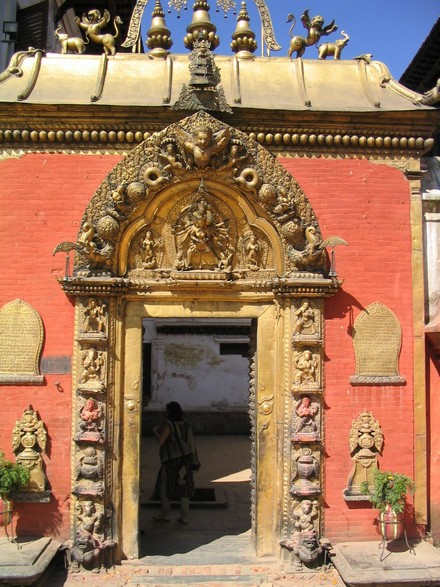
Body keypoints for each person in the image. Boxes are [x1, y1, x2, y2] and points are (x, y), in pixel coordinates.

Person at [153, 401, 197, 524]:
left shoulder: (169, 425)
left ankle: (165, 513)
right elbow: (191, 443)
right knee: (184, 486)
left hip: (171, 460)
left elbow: (161, 441)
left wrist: (155, 431)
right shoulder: (186, 425)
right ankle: (184, 515)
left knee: (164, 486)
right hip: (185, 459)